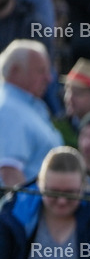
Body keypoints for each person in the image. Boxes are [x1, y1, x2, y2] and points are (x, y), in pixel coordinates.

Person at [0, 40, 61, 189]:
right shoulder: (9, 109)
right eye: (41, 71)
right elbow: (9, 173)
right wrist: (28, 211)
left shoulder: (29, 105)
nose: (49, 78)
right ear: (15, 71)